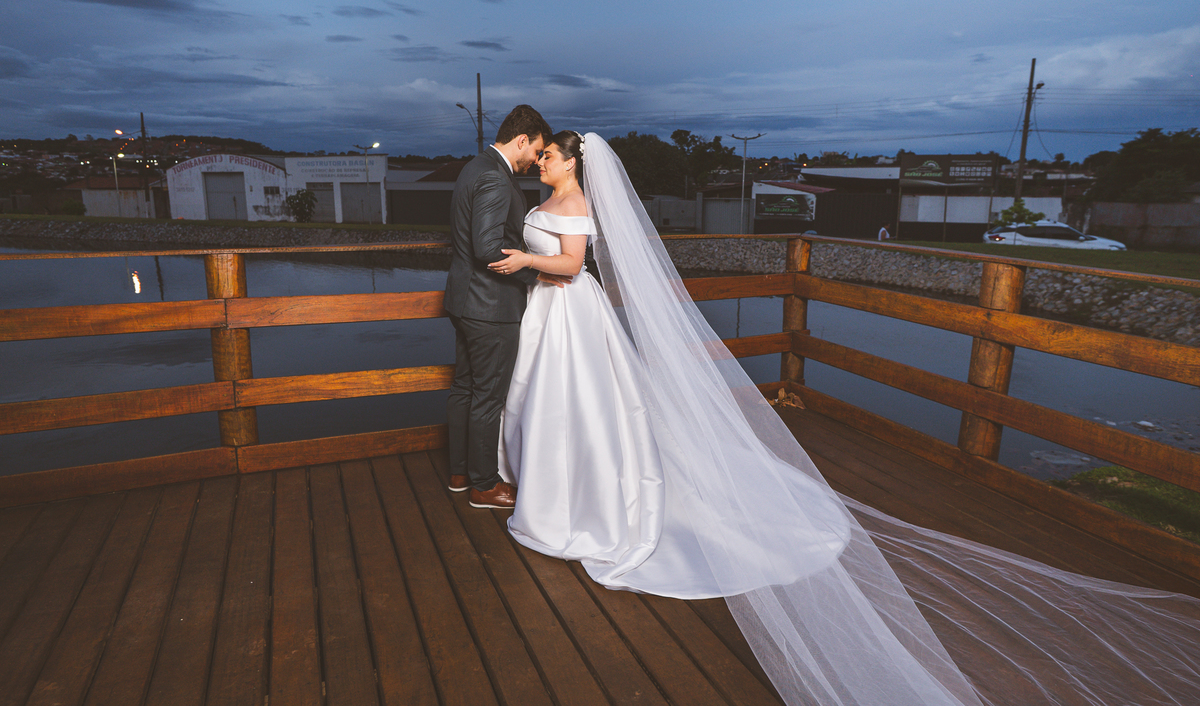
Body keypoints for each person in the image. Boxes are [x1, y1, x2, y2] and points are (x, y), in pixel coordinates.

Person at [486, 131, 1200, 705]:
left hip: (569, 309)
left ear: (574, 162)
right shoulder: (553, 196)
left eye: (548, 156)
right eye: (539, 156)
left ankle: (586, 502)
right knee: (558, 407)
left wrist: (524, 260)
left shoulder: (575, 204)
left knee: (588, 409)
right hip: (551, 315)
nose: (541, 162)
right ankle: (559, 492)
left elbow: (574, 266)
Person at [443, 104, 564, 509]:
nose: (536, 160)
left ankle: (459, 473)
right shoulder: (496, 177)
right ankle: (484, 486)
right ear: (522, 140)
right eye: (537, 151)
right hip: (490, 307)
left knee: (464, 388)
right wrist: (536, 274)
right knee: (488, 397)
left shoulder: (474, 166)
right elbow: (487, 247)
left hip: (464, 302)